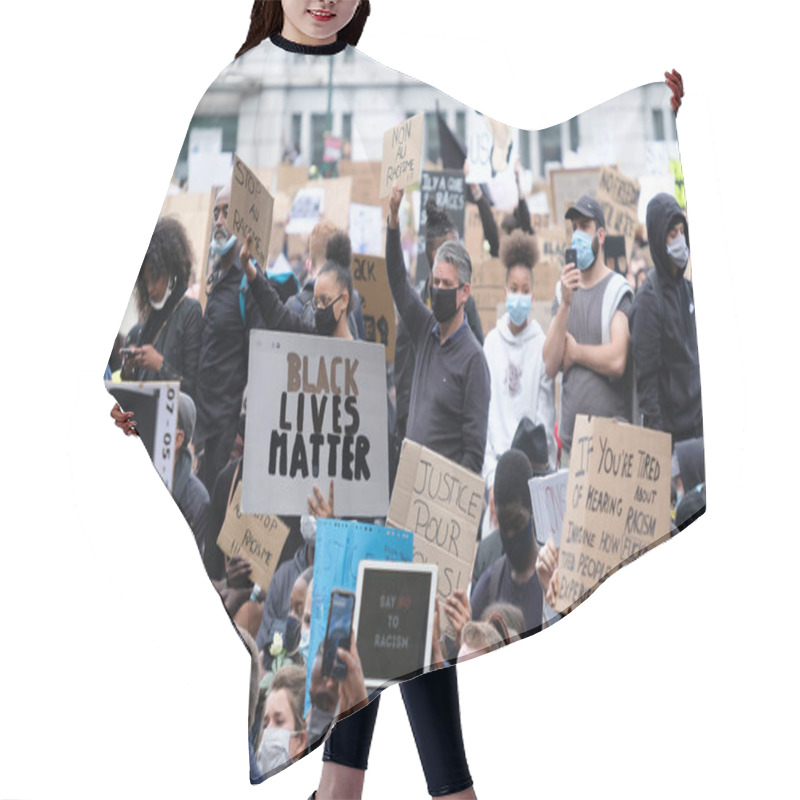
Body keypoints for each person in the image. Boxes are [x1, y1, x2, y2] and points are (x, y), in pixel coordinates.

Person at [542, 194, 633, 465]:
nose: (578, 234)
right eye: (574, 228)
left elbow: (617, 359)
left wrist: (576, 353)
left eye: (585, 226)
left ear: (601, 235)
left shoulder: (618, 290)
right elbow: (548, 365)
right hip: (572, 446)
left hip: (611, 446)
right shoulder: (563, 290)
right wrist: (565, 306)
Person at [482, 228, 556, 490]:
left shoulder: (542, 344)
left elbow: (546, 411)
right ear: (505, 291)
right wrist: (491, 476)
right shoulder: (491, 343)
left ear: (532, 297)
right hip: (497, 471)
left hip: (533, 471)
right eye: (514, 288)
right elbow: (486, 414)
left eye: (525, 290)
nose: (519, 295)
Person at [629, 192, 703, 442]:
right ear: (659, 239)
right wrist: (659, 446)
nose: (680, 240)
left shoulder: (689, 290)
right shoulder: (648, 302)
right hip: (672, 438)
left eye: (682, 231)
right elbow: (647, 384)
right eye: (672, 234)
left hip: (698, 431)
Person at [119, 217, 203, 400]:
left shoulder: (190, 312)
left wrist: (159, 365)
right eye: (145, 281)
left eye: (155, 278)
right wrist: (129, 368)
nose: (150, 288)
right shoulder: (148, 322)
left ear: (171, 270)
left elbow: (192, 390)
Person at [471, 449, 544, 634]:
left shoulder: (551, 584)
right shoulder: (491, 582)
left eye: (517, 524)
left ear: (532, 509)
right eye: (504, 526)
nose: (510, 534)